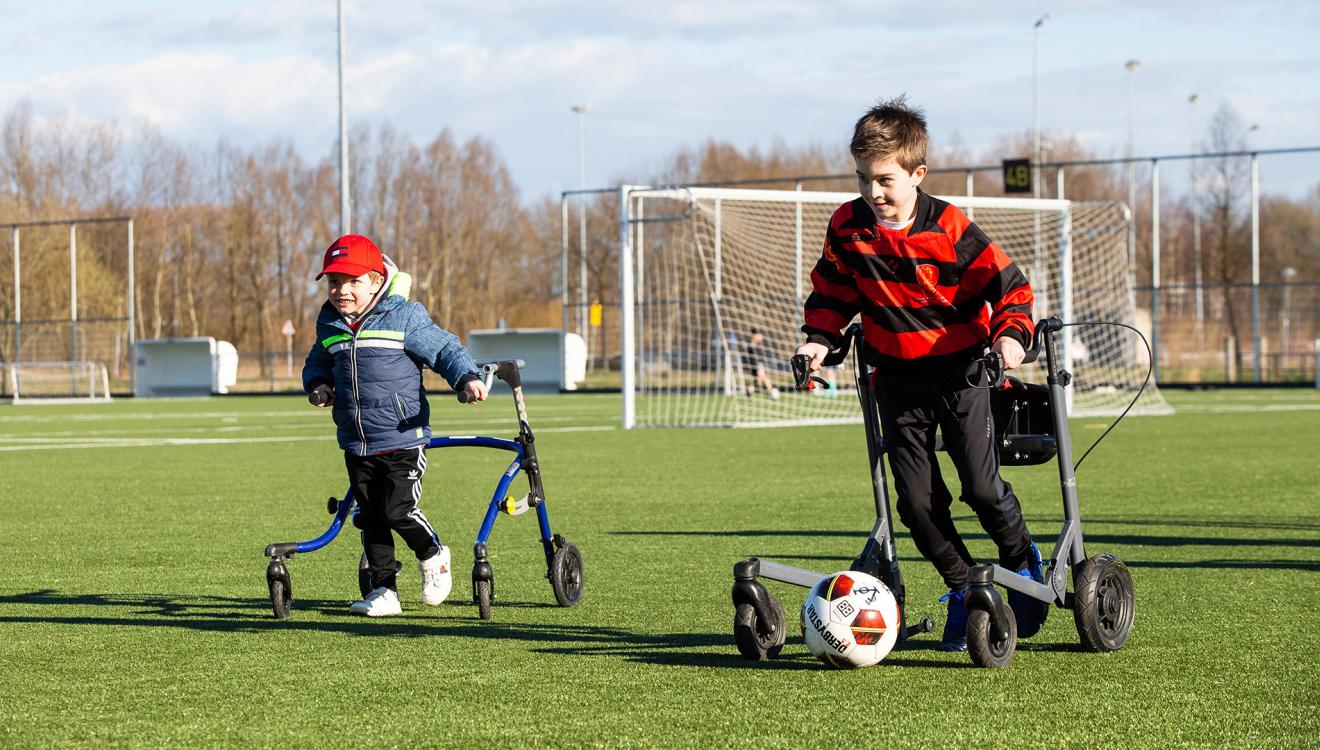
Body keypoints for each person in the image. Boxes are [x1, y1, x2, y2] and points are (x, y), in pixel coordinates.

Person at [794, 96, 1048, 651]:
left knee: (981, 488)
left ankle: (1020, 560)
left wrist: (1009, 340)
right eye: (863, 178)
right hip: (896, 381)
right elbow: (834, 293)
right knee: (915, 503)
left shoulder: (952, 229)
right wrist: (817, 342)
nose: (872, 192)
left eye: (885, 179)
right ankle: (964, 591)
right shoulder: (848, 226)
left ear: (918, 173)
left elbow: (1012, 289)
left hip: (962, 376)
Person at [303, 234, 488, 617]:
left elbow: (444, 349)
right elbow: (317, 359)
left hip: (403, 435)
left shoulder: (403, 316)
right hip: (357, 440)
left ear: (376, 280)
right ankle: (383, 591)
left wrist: (466, 378)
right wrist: (318, 384)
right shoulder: (329, 323)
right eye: (335, 282)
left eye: (353, 281)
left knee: (396, 509)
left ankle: (433, 554)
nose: (342, 290)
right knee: (369, 518)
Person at [742, 329, 780, 400]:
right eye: (760, 335)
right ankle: (771, 393)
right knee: (761, 378)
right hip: (755, 365)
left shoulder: (757, 345)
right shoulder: (752, 345)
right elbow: (751, 354)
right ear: (755, 336)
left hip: (759, 364)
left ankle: (749, 392)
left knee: (761, 379)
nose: (762, 337)